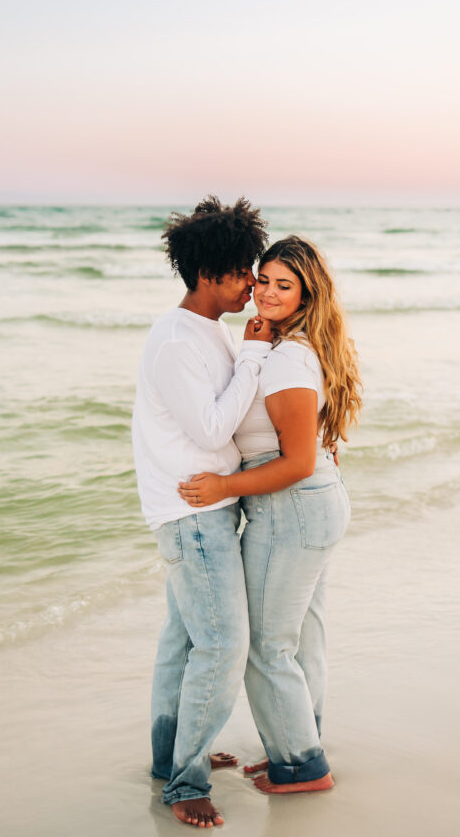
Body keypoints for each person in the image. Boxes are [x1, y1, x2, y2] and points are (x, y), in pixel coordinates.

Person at [179, 235, 362, 794]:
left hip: (292, 510)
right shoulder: (292, 347)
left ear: (307, 293)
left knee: (267, 645)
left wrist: (222, 486)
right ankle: (298, 742)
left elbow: (299, 461)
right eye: (263, 280)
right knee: (301, 640)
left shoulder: (288, 358)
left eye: (285, 285)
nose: (267, 293)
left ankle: (301, 764)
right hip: (310, 509)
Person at [132, 196, 273, 828]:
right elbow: (214, 428)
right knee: (222, 643)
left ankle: (170, 758)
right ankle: (184, 783)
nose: (253, 282)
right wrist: (254, 357)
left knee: (184, 641)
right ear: (210, 271)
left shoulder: (203, 333)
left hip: (193, 505)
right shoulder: (177, 342)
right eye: (245, 270)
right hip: (191, 513)